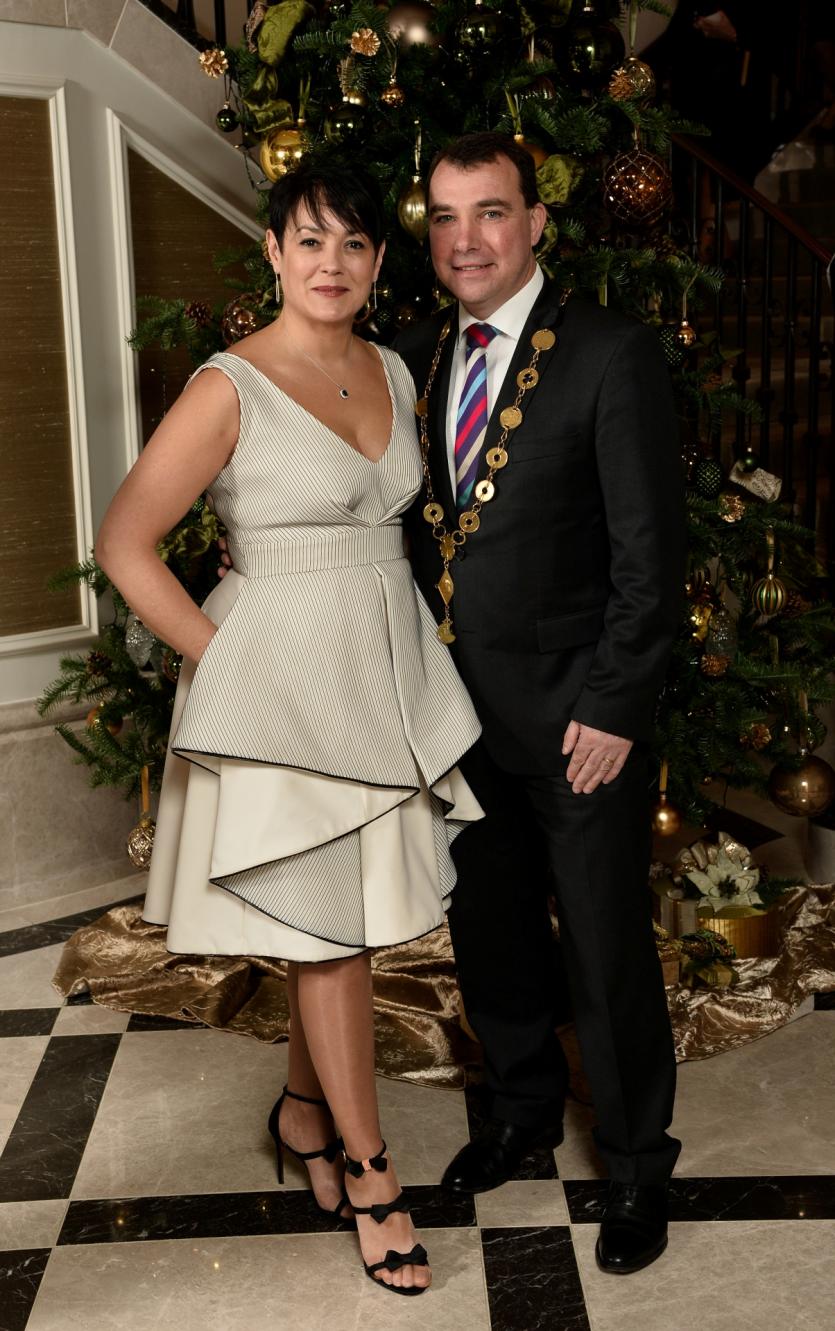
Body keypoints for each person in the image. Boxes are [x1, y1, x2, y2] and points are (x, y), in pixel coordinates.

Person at [95, 157, 484, 1296]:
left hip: (380, 676)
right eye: (309, 240)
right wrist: (229, 663)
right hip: (281, 691)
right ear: (272, 252)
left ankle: (305, 1111)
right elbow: (125, 541)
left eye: (353, 243)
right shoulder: (230, 385)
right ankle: (372, 1173)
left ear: (377, 259)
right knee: (334, 936)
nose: (331, 263)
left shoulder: (391, 366)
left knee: (342, 923)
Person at [393, 132, 686, 1275]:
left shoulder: (609, 352)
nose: (465, 239)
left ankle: (636, 1162)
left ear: (536, 222)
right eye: (445, 216)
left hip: (578, 722)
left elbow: (648, 558)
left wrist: (613, 704)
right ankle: (519, 1113)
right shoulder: (413, 354)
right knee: (492, 934)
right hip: (457, 720)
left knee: (605, 946)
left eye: (490, 212)